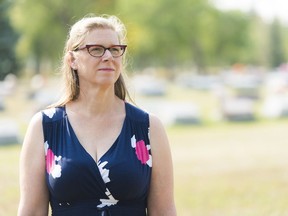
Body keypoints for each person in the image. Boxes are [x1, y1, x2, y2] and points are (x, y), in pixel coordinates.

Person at [17, 15, 176, 216]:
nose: (108, 56)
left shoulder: (149, 127)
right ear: (72, 60)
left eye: (115, 49)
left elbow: (164, 211)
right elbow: (31, 211)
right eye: (96, 49)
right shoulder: (44, 126)